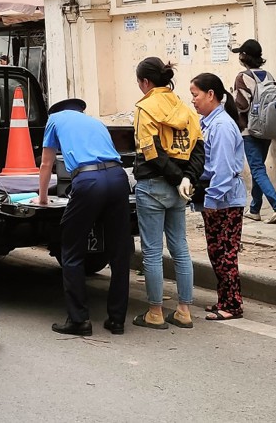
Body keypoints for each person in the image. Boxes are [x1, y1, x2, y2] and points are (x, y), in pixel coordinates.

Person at [35, 98, 132, 336]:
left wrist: (43, 197)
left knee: (72, 250)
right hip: (118, 178)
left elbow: (46, 164)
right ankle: (117, 320)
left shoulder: (54, 120)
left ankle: (79, 320)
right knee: (119, 252)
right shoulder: (96, 123)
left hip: (88, 181)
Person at [132, 57, 205, 330]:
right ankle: (184, 310)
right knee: (180, 248)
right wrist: (186, 178)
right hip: (180, 190)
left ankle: (155, 312)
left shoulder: (144, 108)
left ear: (145, 82)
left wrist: (176, 177)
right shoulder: (184, 107)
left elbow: (151, 152)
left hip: (153, 186)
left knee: (152, 252)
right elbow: (199, 148)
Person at [190, 73, 247, 320]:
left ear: (210, 94)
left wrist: (212, 199)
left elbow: (223, 169)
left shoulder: (222, 126)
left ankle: (232, 305)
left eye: (195, 95)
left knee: (225, 254)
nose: (193, 100)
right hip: (215, 198)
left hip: (225, 200)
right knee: (216, 252)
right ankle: (224, 300)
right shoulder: (209, 123)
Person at [231, 39, 276, 224]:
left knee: (256, 169)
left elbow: (242, 104)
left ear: (244, 57)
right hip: (268, 129)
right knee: (259, 169)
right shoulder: (269, 76)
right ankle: (255, 209)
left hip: (250, 130)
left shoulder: (243, 77)